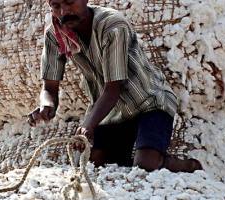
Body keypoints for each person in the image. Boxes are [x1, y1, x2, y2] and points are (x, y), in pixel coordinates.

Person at [27, 0, 202, 172]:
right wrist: (47, 105)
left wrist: (88, 124)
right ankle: (127, 159)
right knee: (94, 164)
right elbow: (49, 87)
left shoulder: (112, 25)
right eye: (56, 6)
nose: (64, 11)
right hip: (112, 112)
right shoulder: (55, 34)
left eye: (70, 2)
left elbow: (113, 87)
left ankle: (184, 166)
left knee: (145, 165)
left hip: (149, 102)